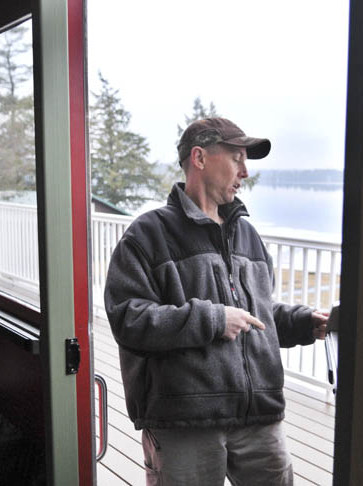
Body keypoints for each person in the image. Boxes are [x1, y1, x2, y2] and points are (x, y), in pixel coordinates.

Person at [104, 117, 328, 485]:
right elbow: (128, 319)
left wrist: (303, 322)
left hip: (258, 417)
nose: (245, 172)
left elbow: (255, 314)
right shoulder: (147, 235)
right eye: (237, 158)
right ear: (200, 158)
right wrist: (211, 320)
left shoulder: (247, 235)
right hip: (184, 421)